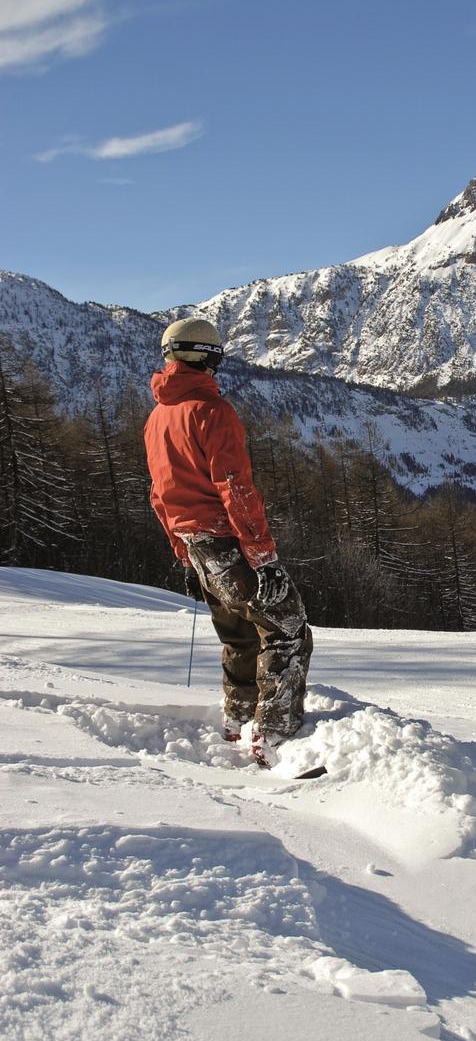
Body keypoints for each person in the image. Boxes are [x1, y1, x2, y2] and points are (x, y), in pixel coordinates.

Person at [144, 318, 313, 768]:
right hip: (227, 541)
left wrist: (182, 547)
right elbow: (235, 487)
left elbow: (159, 493)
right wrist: (263, 556)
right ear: (209, 357)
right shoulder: (211, 412)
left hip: (195, 543)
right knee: (287, 627)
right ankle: (275, 734)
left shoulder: (158, 417)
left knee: (239, 634)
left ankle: (238, 719)